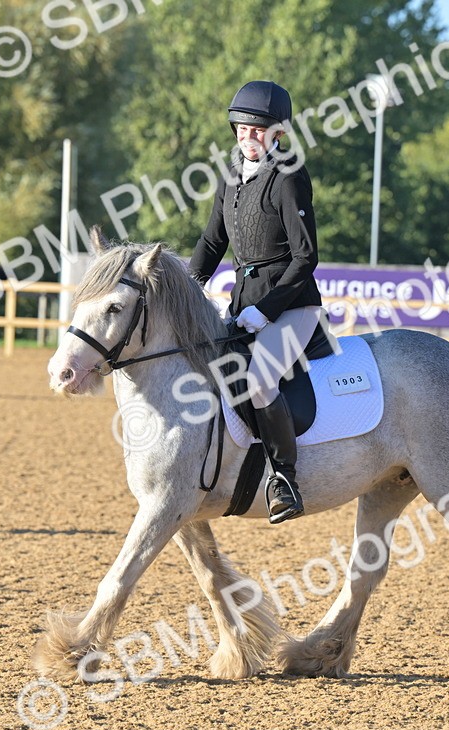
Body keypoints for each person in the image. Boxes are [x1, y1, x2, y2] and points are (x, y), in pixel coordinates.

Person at [189, 80, 322, 524]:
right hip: (242, 303)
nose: (249, 138)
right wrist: (187, 289)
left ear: (277, 132)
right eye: (242, 129)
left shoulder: (288, 177)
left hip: (292, 307)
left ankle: (285, 479)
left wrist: (267, 310)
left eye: (258, 130)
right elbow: (212, 242)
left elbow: (306, 257)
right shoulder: (230, 177)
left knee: (260, 379)